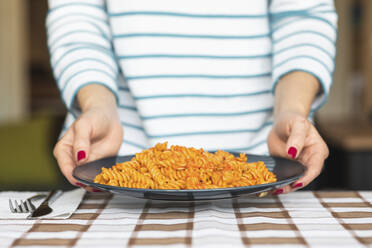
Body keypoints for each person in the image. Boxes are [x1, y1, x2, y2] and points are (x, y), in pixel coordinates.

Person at [47, 0, 337, 194]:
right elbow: (78, 17)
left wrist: (291, 112)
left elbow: (303, 18)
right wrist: (98, 107)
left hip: (266, 163)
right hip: (118, 165)